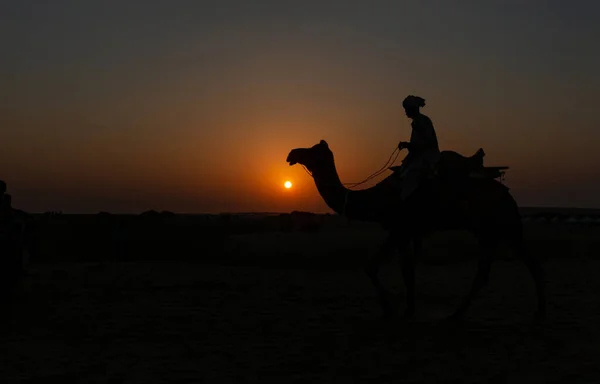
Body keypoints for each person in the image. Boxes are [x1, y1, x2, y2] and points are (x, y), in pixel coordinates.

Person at [397, 95, 441, 200]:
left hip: (428, 157)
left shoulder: (422, 121)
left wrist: (409, 145)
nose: (406, 112)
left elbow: (427, 142)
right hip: (419, 156)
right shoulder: (417, 122)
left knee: (410, 176)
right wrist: (408, 145)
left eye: (407, 110)